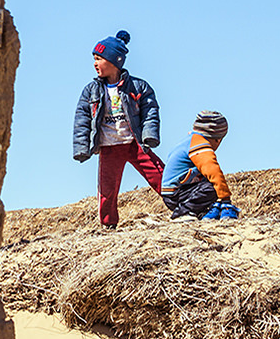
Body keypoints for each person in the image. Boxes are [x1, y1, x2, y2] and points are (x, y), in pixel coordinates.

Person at [71, 31, 161, 228]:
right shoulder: (91, 91)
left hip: (134, 143)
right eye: (94, 59)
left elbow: (150, 111)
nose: (95, 63)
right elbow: (82, 119)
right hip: (109, 146)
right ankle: (108, 224)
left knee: (159, 175)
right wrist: (81, 147)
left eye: (99, 59)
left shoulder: (137, 86)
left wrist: (149, 135)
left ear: (115, 61)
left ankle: (181, 206)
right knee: (107, 190)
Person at [164, 110, 236, 220]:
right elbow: (212, 169)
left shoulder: (188, 141)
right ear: (217, 139)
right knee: (211, 188)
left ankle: (198, 212)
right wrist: (225, 197)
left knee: (207, 184)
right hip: (176, 193)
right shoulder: (199, 144)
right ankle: (183, 212)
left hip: (175, 191)